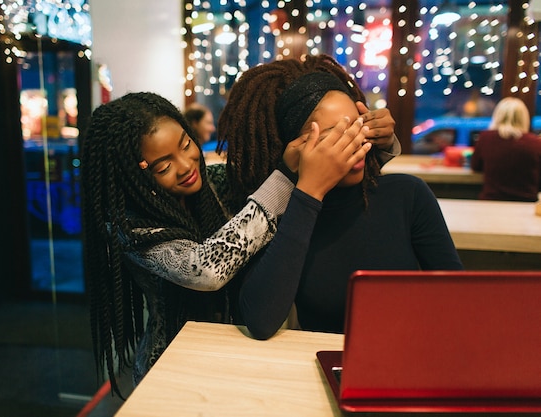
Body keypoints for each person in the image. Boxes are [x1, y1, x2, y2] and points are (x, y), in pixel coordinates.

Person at [80, 91, 371, 395]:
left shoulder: (215, 181)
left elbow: (329, 189)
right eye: (163, 167)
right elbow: (205, 269)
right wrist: (285, 177)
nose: (186, 166)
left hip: (235, 351)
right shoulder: (129, 226)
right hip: (170, 368)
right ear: (134, 176)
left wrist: (377, 143)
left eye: (185, 144)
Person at [216, 54, 464, 340]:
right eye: (336, 136)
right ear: (297, 149)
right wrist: (309, 192)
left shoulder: (407, 196)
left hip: (409, 358)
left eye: (359, 125)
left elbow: (457, 300)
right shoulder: (284, 215)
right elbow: (260, 321)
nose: (355, 141)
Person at [471, 97, 541, 202]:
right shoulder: (535, 143)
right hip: (525, 205)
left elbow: (476, 166)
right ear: (524, 118)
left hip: (490, 203)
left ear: (497, 116)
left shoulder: (485, 138)